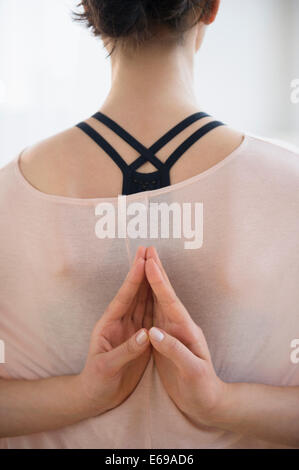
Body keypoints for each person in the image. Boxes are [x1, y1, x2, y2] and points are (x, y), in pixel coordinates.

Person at [0, 0, 299, 449]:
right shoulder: (288, 186)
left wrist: (82, 395)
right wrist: (218, 402)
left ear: (92, 10)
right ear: (211, 8)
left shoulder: (10, 192)